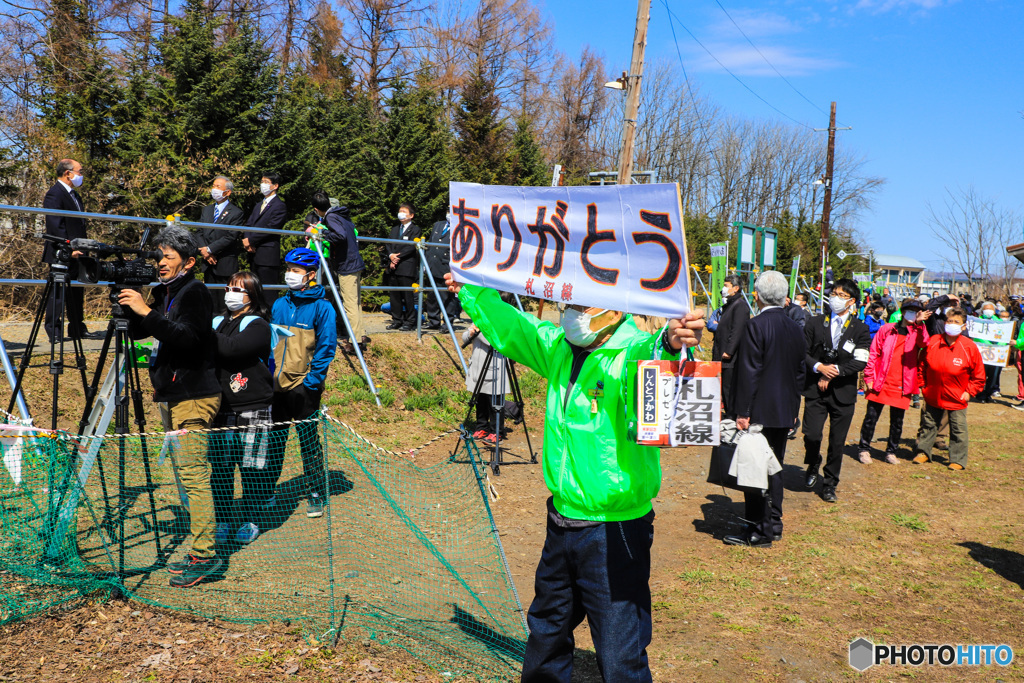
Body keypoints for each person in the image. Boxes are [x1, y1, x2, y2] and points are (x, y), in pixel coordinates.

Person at [443, 273, 704, 683]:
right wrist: (472, 286)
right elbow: (515, 327)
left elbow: (654, 355)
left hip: (614, 529)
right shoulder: (560, 349)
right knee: (547, 627)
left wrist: (672, 342)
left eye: (583, 306)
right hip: (562, 519)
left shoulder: (629, 352)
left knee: (620, 650)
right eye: (571, 305)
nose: (573, 315)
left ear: (616, 308)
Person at [117, 227, 223, 588]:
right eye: (158, 256)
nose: (160, 263)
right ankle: (200, 548)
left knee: (194, 476)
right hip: (173, 394)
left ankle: (205, 556)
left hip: (193, 395)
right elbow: (139, 333)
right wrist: (131, 305)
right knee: (186, 475)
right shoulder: (165, 292)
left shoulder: (194, 292)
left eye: (168, 258)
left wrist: (146, 309)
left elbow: (188, 338)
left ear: (189, 262)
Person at [724, 271, 806, 548]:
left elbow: (749, 372)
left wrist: (742, 412)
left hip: (758, 409)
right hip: (784, 409)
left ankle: (759, 530)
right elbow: (799, 373)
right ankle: (774, 523)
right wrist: (794, 409)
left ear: (756, 296)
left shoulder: (755, 325)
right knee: (775, 466)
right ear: (784, 297)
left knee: (755, 467)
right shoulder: (796, 327)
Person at [265, 248, 337, 519]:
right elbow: (272, 343)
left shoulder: (323, 307)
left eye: (295, 271)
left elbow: (326, 348)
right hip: (276, 385)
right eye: (288, 269)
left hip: (304, 386)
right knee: (274, 440)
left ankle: (316, 492)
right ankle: (267, 490)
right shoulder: (280, 304)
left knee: (308, 441)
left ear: (310, 275)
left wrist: (311, 382)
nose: (290, 275)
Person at [208, 272, 275, 546]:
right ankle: (223, 518)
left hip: (252, 405)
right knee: (221, 469)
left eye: (238, 289)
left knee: (251, 468)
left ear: (252, 296)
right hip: (220, 405)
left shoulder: (258, 325)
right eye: (228, 288)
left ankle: (251, 519)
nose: (230, 293)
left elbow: (233, 349)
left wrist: (202, 334)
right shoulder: (217, 321)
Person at [801, 278, 871, 503]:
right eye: (834, 293)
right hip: (815, 390)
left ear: (851, 301)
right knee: (811, 434)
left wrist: (834, 372)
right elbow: (802, 353)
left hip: (843, 392)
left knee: (837, 441)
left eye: (841, 295)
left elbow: (860, 361)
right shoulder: (814, 322)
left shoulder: (860, 329)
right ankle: (813, 462)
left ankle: (830, 483)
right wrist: (819, 367)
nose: (835, 298)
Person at [856, 298, 930, 465]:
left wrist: (919, 324)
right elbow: (873, 352)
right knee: (871, 417)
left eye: (916, 311)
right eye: (910, 310)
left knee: (897, 421)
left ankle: (891, 451)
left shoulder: (917, 331)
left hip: (903, 382)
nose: (912, 313)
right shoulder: (887, 329)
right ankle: (864, 449)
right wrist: (869, 376)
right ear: (902, 312)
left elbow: (924, 342)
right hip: (881, 380)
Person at [913, 308, 985, 470]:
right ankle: (923, 452)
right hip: (933, 393)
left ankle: (957, 459)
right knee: (928, 424)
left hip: (957, 397)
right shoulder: (934, 341)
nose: (952, 324)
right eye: (949, 321)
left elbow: (979, 375)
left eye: (956, 322)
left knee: (958, 428)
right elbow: (922, 365)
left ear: (964, 326)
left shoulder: (969, 347)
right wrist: (923, 385)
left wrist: (969, 392)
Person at [310, 191, 369, 354]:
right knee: (355, 302)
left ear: (316, 209)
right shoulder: (342, 214)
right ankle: (361, 334)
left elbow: (340, 236)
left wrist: (323, 234)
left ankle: (355, 341)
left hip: (347, 264)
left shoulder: (331, 217)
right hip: (355, 262)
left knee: (349, 303)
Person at [42, 158, 88, 342]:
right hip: (61, 251)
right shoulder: (55, 194)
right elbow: (55, 225)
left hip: (79, 251)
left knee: (77, 292)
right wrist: (68, 248)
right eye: (79, 171)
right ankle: (54, 331)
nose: (81, 175)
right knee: (58, 293)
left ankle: (77, 328)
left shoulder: (75, 195)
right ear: (67, 173)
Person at [244, 172, 288, 307]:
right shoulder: (258, 205)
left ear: (275, 186)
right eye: (262, 181)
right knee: (254, 292)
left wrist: (251, 240)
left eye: (266, 182)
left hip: (267, 255)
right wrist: (246, 238)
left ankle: (270, 322)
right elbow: (249, 223)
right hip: (253, 253)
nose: (262, 184)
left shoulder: (279, 206)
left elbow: (271, 227)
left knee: (268, 294)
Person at [462, 321, 510, 445]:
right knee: (480, 400)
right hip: (478, 367)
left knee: (495, 402)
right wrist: (471, 332)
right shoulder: (480, 319)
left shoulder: (501, 321)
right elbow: (464, 337)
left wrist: (479, 332)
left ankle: (496, 431)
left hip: (494, 368)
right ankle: (481, 427)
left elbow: (496, 342)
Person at [196, 176, 246, 291]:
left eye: (218, 186)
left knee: (224, 299)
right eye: (213, 186)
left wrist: (210, 249)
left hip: (224, 262)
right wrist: (205, 251)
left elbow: (231, 236)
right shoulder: (207, 210)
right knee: (210, 297)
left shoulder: (236, 212)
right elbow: (199, 231)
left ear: (227, 192)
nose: (214, 189)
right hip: (207, 262)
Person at [712, 275, 750, 411]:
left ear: (736, 288)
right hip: (722, 354)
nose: (724, 288)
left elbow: (737, 330)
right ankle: (729, 413)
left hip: (730, 358)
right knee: (724, 388)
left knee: (729, 388)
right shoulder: (729, 305)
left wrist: (729, 350)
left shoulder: (740, 306)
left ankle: (732, 416)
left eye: (726, 285)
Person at [385, 203, 421, 331]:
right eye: (400, 211)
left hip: (406, 266)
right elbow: (388, 243)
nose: (401, 213)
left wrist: (397, 257)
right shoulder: (395, 229)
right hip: (393, 266)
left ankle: (410, 321)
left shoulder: (415, 229)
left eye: (404, 211)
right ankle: (397, 320)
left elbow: (411, 247)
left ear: (411, 215)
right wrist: (390, 256)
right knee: (394, 296)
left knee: (407, 296)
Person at [424, 213, 461, 330]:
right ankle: (433, 321)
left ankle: (447, 323)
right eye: (448, 211)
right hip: (432, 265)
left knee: (447, 297)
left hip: (446, 267)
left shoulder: (460, 227)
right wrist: (426, 262)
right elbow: (430, 244)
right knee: (432, 296)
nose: (449, 214)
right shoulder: (438, 225)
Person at [973, 301, 1002, 403]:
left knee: (993, 376)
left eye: (990, 309)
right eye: (986, 309)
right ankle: (980, 394)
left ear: (994, 311)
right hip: (981, 353)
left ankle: (988, 394)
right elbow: (976, 337)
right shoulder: (977, 322)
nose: (988, 311)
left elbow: (1003, 337)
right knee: (981, 375)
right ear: (982, 310)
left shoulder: (1000, 322)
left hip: (995, 354)